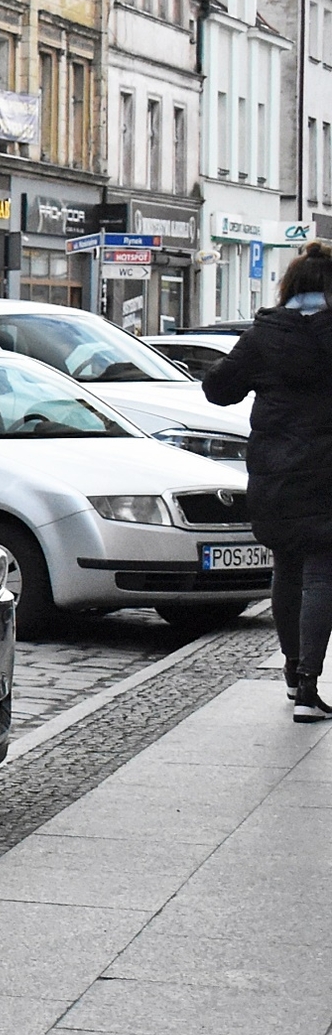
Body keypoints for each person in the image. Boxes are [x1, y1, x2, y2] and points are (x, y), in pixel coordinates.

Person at [205, 242, 332, 721]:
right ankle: (308, 688)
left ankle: (291, 668)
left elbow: (218, 390)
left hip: (274, 468)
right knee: (323, 573)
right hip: (326, 470)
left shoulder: (264, 334)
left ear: (290, 286)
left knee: (287, 568)